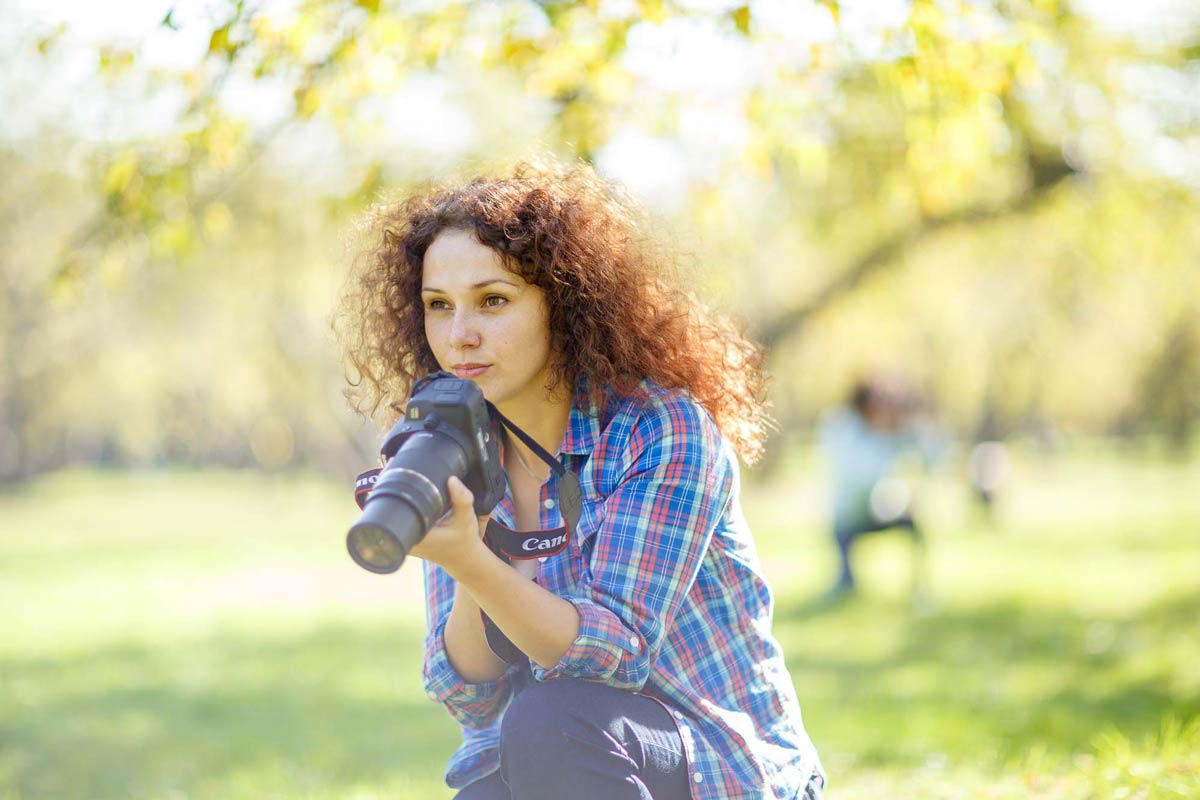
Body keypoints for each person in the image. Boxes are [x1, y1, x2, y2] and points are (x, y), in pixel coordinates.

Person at [337, 161, 824, 800]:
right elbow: (471, 696)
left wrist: (473, 560)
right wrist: (463, 559)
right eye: (438, 306)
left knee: (550, 720)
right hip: (550, 766)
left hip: (714, 765)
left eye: (493, 300)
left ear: (562, 304)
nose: (461, 334)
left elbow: (615, 656)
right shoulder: (446, 437)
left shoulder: (660, 429)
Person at [817, 374, 942, 602]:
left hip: (882, 510)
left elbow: (933, 459)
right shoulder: (844, 425)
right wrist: (884, 434)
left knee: (914, 524)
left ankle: (920, 587)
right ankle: (844, 584)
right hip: (849, 515)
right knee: (846, 580)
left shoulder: (897, 428)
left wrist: (917, 425)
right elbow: (854, 476)